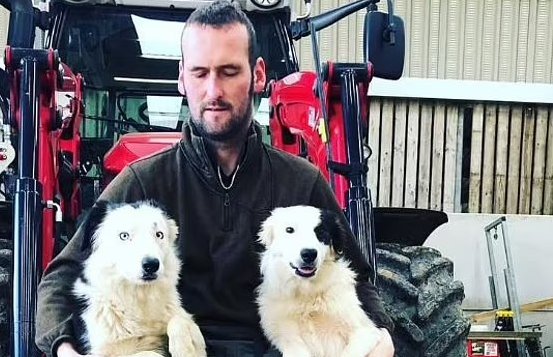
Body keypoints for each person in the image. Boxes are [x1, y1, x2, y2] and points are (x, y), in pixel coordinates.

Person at [35, 1, 395, 356]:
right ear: (182, 78)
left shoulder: (300, 182)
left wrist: (380, 334)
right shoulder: (142, 182)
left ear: (257, 75)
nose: (213, 92)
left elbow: (359, 279)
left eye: (228, 72)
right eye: (200, 73)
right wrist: (65, 349)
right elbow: (62, 275)